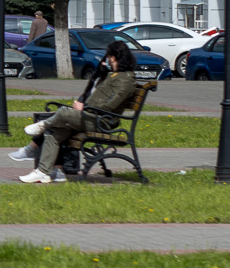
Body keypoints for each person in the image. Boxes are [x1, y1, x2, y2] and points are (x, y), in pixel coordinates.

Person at [13, 39, 140, 184]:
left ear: (114, 57)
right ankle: (43, 172)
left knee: (64, 112)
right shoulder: (115, 75)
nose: (108, 60)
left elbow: (111, 105)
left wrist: (84, 108)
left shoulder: (126, 79)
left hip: (101, 121)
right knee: (53, 134)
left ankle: (43, 125)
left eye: (109, 56)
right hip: (92, 117)